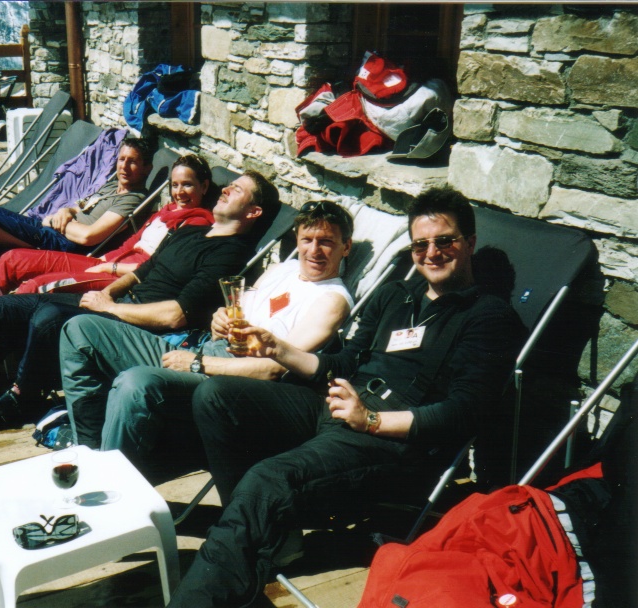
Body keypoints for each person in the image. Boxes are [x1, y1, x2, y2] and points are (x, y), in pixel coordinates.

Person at [166, 187, 526, 607]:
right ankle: (262, 537)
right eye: (420, 244)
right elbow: (345, 361)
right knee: (217, 396)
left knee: (267, 479)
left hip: (391, 439)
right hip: (339, 406)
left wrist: (370, 421)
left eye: (444, 241)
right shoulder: (395, 296)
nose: (431, 253)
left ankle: (217, 575)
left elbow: (464, 413)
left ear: (469, 243)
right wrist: (276, 348)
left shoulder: (487, 316)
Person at [0, 171, 280, 447]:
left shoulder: (231, 254)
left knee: (49, 318)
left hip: (138, 329)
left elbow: (175, 316)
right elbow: (142, 271)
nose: (226, 188)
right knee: (5, 309)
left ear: (254, 211)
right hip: (113, 304)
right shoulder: (192, 231)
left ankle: (21, 398)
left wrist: (112, 309)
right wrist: (110, 292)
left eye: (237, 189)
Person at [59, 200, 355, 479]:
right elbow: (236, 312)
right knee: (80, 329)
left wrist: (198, 364)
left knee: (136, 383)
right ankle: (90, 454)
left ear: (346, 247)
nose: (314, 250)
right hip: (205, 350)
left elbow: (273, 369)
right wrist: (219, 319)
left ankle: (108, 484)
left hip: (230, 383)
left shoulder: (331, 300)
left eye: (326, 242)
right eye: (307, 240)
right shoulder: (282, 270)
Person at [0, 154, 216, 295]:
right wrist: (103, 260)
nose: (179, 192)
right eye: (175, 185)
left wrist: (110, 268)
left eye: (187, 185)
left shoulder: (196, 224)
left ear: (204, 187)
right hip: (108, 262)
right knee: (15, 259)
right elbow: (131, 243)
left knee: (38, 285)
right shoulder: (166, 211)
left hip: (125, 278)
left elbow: (158, 267)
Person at [0, 137, 155, 272]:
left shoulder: (132, 199)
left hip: (62, 243)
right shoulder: (112, 186)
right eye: (121, 159)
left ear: (147, 168)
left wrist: (53, 221)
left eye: (133, 161)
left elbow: (89, 237)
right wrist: (66, 210)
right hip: (50, 229)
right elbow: (80, 206)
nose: (124, 166)